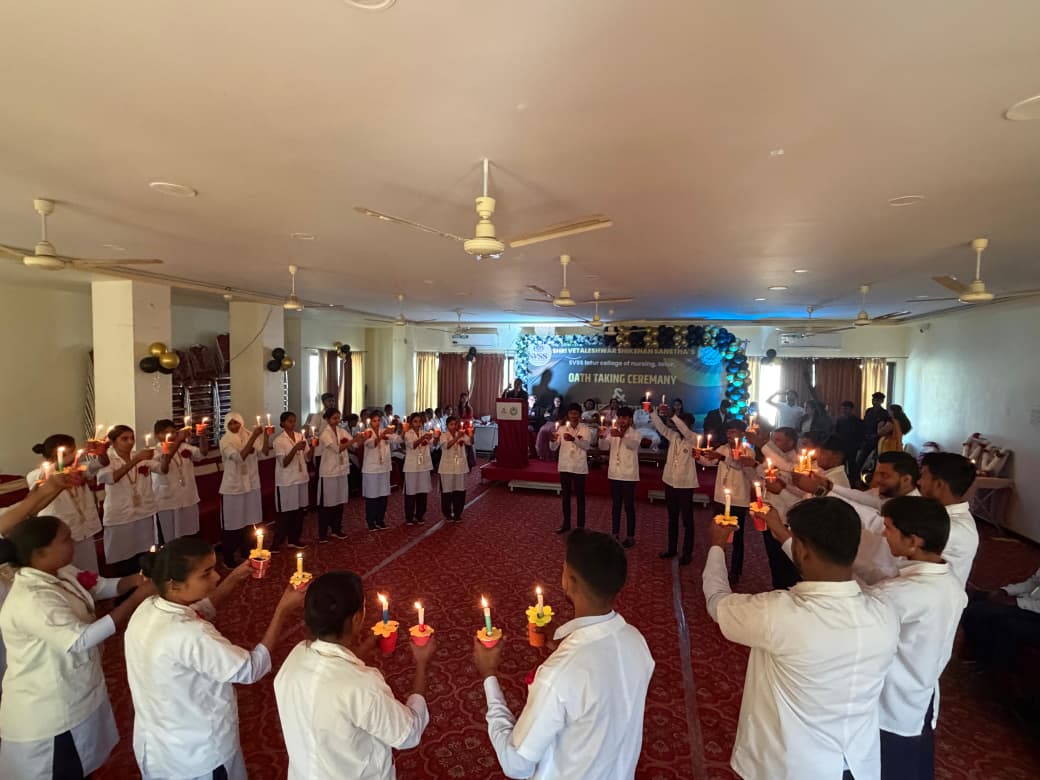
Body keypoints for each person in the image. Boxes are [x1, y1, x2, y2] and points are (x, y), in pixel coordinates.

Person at [704, 498, 899, 780]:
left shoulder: (780, 614)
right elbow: (824, 570)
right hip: (858, 762)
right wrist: (781, 532)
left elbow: (717, 602)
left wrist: (717, 546)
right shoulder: (885, 612)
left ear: (803, 550)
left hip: (792, 766)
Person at [475, 529, 654, 779]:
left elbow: (516, 765)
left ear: (569, 580)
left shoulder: (558, 674)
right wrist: (563, 645)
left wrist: (489, 676)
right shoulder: (637, 641)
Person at [125, 536, 304, 780]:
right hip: (200, 754)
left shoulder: (149, 607)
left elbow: (201, 609)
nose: (217, 577)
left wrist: (235, 577)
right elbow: (250, 669)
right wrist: (282, 611)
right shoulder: (191, 633)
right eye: (206, 573)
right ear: (174, 584)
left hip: (160, 746)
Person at [0, 515, 155, 779]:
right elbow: (81, 640)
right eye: (65, 540)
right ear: (39, 553)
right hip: (47, 706)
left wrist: (134, 581)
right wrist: (135, 600)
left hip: (73, 686)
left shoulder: (60, 571)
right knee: (62, 769)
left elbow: (98, 586)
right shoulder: (32, 597)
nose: (73, 543)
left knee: (81, 765)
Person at [274, 571, 433, 779]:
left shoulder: (296, 656)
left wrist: (367, 645)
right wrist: (422, 663)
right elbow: (408, 734)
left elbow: (330, 671)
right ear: (357, 618)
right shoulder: (362, 686)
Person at [868, 496, 967, 780]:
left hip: (891, 701)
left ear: (913, 541)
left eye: (888, 528)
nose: (883, 534)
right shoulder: (950, 583)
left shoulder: (900, 593)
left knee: (889, 767)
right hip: (923, 692)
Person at [26, 434, 102, 571]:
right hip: (59, 532)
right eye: (65, 454)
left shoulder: (79, 468)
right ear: (52, 457)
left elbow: (100, 464)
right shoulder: (36, 475)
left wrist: (101, 452)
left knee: (89, 570)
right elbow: (46, 474)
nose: (72, 457)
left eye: (73, 451)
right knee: (66, 571)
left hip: (84, 527)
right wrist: (80, 453)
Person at [697, 421, 755, 582]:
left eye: (734, 432)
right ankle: (717, 566)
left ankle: (735, 571)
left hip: (738, 499)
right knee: (717, 532)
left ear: (742, 434)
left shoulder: (748, 451)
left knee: (737, 537)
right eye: (728, 432)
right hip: (721, 497)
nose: (730, 436)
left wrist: (721, 457)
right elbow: (710, 462)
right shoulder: (723, 448)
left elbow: (738, 465)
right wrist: (699, 457)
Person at [97, 424, 158, 574]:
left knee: (144, 554)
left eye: (132, 438)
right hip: (120, 515)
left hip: (143, 512)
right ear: (112, 442)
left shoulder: (140, 456)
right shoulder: (107, 460)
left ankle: (144, 581)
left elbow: (162, 469)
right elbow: (111, 479)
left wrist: (168, 452)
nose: (130, 442)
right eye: (124, 439)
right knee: (123, 558)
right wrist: (135, 460)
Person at [917, 452, 978, 589]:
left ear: (938, 484)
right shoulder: (938, 511)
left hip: (936, 596)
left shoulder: (954, 527)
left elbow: (901, 535)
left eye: (923, 476)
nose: (919, 482)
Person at [218, 413, 270, 568]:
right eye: (231, 424)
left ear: (241, 422)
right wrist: (254, 437)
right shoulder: (225, 440)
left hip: (251, 485)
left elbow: (265, 452)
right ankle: (228, 557)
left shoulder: (248, 434)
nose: (234, 426)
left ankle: (247, 551)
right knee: (233, 524)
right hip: (233, 488)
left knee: (250, 521)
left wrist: (266, 435)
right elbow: (240, 457)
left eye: (236, 423)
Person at [650, 406, 699, 565]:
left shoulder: (694, 438)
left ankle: (687, 552)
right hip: (670, 482)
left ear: (690, 425)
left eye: (683, 424)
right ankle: (672, 548)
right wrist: (652, 412)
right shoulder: (674, 436)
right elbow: (661, 428)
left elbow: (685, 431)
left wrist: (673, 417)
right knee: (672, 518)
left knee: (687, 520)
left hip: (685, 484)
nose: (679, 427)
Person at [152, 419, 208, 544]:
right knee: (170, 538)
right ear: (157, 436)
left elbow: (202, 453)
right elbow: (163, 466)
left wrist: (202, 436)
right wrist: (178, 440)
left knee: (189, 535)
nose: (170, 435)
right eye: (165, 433)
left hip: (187, 497)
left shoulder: (183, 447)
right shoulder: (154, 452)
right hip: (167, 501)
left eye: (173, 432)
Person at [598, 407, 640, 548]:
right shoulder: (613, 431)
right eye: (620, 417)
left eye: (625, 418)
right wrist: (601, 437)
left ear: (630, 419)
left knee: (629, 506)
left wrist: (622, 435)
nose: (622, 420)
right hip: (615, 473)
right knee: (616, 505)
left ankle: (630, 536)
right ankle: (615, 533)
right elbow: (604, 447)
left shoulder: (635, 433)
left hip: (629, 475)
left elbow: (633, 446)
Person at [550, 403, 592, 534]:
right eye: (571, 413)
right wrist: (552, 440)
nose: (573, 416)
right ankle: (566, 523)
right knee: (566, 497)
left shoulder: (585, 429)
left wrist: (574, 439)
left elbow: (586, 446)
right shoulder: (562, 429)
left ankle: (580, 527)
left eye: (576, 413)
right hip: (565, 466)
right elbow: (553, 448)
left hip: (579, 467)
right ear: (567, 415)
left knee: (580, 498)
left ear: (580, 414)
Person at [273, 411, 312, 549]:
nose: (293, 423)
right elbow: (284, 462)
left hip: (300, 478)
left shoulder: (300, 436)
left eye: (294, 421)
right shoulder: (279, 440)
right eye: (289, 421)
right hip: (287, 481)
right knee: (286, 513)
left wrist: (313, 446)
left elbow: (308, 458)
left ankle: (294, 539)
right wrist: (295, 448)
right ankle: (276, 543)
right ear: (282, 423)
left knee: (299, 511)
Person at [316, 408, 353, 540]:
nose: (337, 421)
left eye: (338, 418)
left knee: (339, 501)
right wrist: (352, 441)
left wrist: (361, 438)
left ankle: (336, 528)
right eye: (334, 418)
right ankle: (323, 532)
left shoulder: (341, 431)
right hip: (329, 472)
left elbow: (354, 444)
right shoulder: (324, 433)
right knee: (327, 503)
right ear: (327, 419)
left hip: (341, 470)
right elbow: (337, 449)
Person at [403, 412, 436, 525]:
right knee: (411, 491)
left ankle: (420, 514)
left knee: (422, 491)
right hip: (412, 467)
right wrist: (422, 438)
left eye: (419, 421)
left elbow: (433, 446)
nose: (418, 424)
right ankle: (409, 516)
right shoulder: (408, 434)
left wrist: (435, 437)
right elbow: (412, 445)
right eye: (415, 422)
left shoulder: (425, 432)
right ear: (411, 423)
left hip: (423, 466)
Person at [437, 415, 471, 522]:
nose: (454, 426)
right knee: (447, 491)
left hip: (460, 467)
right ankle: (447, 513)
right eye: (451, 424)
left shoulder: (461, 434)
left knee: (459, 491)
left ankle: (457, 513)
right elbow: (447, 446)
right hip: (447, 468)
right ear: (447, 426)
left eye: (455, 424)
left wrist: (471, 434)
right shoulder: (444, 435)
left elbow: (470, 442)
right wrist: (457, 438)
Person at [857, 392, 891, 474]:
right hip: (867, 438)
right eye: (873, 399)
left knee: (877, 460)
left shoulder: (884, 413)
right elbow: (865, 424)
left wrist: (876, 435)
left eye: (877, 400)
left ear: (881, 401)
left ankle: (873, 476)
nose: (874, 401)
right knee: (860, 459)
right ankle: (855, 477)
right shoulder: (869, 411)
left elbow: (885, 428)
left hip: (878, 440)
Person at [834, 401, 864, 484]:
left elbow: (860, 434)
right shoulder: (839, 420)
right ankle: (841, 480)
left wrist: (858, 445)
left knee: (852, 465)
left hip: (852, 446)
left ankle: (852, 482)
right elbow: (836, 432)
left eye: (846, 408)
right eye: (843, 408)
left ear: (851, 409)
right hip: (841, 446)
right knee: (841, 464)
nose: (844, 410)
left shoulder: (857, 421)